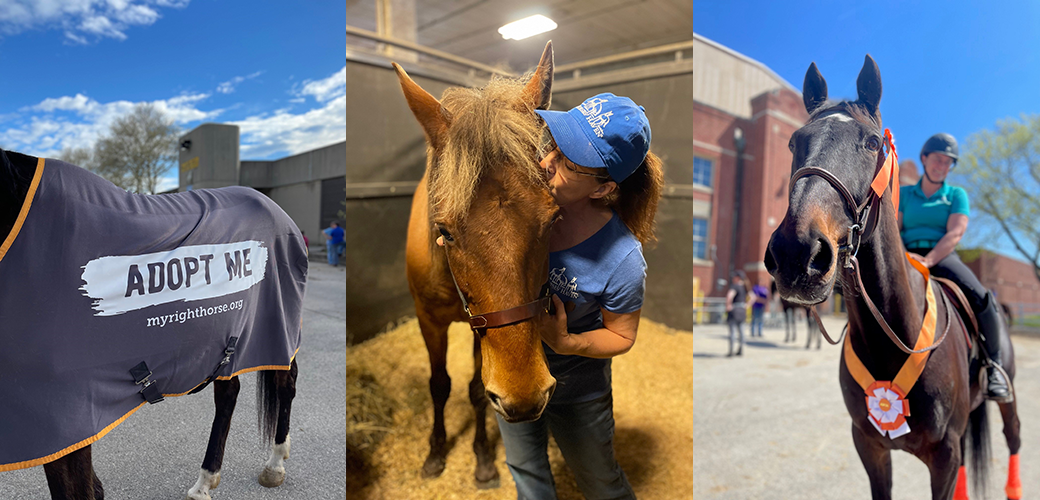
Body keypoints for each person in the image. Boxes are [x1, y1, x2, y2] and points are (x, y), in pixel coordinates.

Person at [490, 93, 662, 500]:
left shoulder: (622, 258)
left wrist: (566, 341)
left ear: (603, 188)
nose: (547, 162)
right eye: (554, 146)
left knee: (602, 484)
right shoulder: (522, 212)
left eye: (569, 163)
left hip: (578, 390)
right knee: (526, 474)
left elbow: (622, 336)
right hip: (515, 371)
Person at [898, 133, 1011, 401]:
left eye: (949, 162)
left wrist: (930, 259)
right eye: (938, 159)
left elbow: (955, 233)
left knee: (982, 297)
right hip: (906, 253)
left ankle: (994, 367)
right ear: (924, 159)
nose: (942, 166)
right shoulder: (903, 194)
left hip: (942, 255)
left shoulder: (956, 195)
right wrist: (905, 256)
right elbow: (895, 228)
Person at [725, 270, 750, 356]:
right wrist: (747, 305)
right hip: (742, 310)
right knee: (742, 332)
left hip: (734, 310)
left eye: (734, 276)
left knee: (733, 332)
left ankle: (731, 351)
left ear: (738, 278)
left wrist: (728, 305)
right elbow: (753, 297)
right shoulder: (745, 287)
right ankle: (741, 350)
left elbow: (729, 296)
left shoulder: (735, 286)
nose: (733, 278)